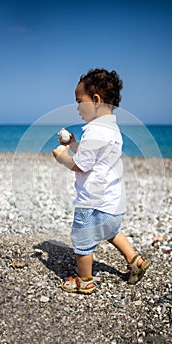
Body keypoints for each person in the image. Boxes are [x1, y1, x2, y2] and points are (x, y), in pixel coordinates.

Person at [52, 68, 150, 294]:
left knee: (82, 241)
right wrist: (75, 144)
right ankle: (135, 260)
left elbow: (82, 165)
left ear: (95, 100)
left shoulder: (95, 131)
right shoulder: (112, 129)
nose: (77, 108)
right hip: (113, 202)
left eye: (79, 102)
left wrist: (63, 158)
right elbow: (93, 156)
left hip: (92, 203)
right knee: (112, 231)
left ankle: (85, 280)